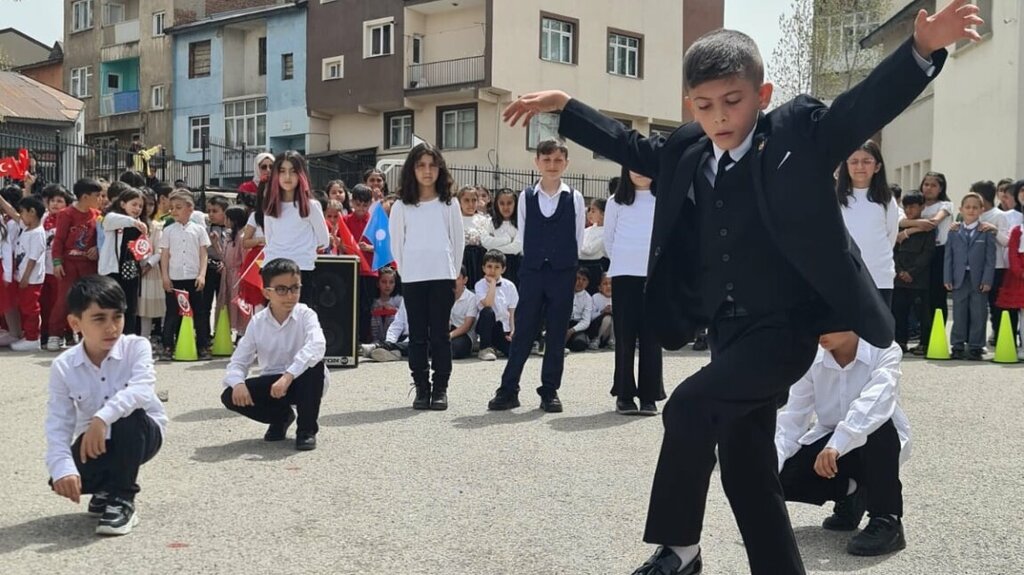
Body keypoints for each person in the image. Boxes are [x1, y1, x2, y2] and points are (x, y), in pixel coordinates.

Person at [501, 4, 976, 572]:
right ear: (690, 106)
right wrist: (565, 106)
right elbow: (632, 146)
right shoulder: (688, 149)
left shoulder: (796, 133)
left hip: (786, 328)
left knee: (687, 407)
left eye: (733, 101)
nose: (720, 116)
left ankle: (680, 550)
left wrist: (920, 51)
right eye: (704, 106)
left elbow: (858, 110)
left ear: (762, 94)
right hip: (725, 329)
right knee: (747, 468)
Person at [44, 275, 166, 535]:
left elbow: (142, 390)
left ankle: (123, 499)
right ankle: (107, 488)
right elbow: (58, 422)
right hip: (97, 440)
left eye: (117, 317)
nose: (111, 327)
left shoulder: (137, 346)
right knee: (61, 478)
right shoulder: (63, 366)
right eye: (99, 319)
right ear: (75, 323)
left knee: (127, 414)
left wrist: (102, 418)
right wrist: (63, 468)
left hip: (142, 434)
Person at [776, 331, 911, 557]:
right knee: (779, 477)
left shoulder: (884, 349)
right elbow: (792, 420)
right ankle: (852, 493)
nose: (819, 331)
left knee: (879, 428)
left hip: (877, 444)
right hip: (831, 443)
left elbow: (874, 404)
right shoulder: (811, 356)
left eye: (828, 322)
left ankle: (887, 519)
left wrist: (836, 444)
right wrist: (771, 465)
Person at [487, 140, 585, 413]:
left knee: (556, 333)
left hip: (562, 273)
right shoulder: (527, 196)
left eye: (558, 160)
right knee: (523, 331)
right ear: (537, 162)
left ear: (566, 163)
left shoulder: (575, 197)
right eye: (547, 160)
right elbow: (524, 234)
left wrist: (566, 264)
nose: (552, 165)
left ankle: (549, 391)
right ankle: (509, 389)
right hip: (532, 272)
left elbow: (577, 238)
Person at [221, 258, 327, 451]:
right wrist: (238, 383)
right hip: (273, 385)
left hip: (305, 382)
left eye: (295, 288)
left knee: (315, 365)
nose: (290, 296)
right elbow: (238, 361)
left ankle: (306, 430)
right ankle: (281, 418)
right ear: (266, 292)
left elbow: (317, 345)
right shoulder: (257, 322)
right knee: (229, 395)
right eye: (281, 290)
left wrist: (288, 376)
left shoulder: (306, 314)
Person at [389, 143, 464, 411]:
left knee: (441, 335)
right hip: (414, 277)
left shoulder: (449, 203)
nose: (427, 171)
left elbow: (458, 241)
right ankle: (421, 387)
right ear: (412, 169)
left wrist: (453, 273)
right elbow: (397, 244)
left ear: (440, 169)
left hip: (442, 276)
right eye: (421, 165)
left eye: (432, 165)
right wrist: (406, 271)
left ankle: (440, 387)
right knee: (418, 335)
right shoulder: (401, 206)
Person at [604, 168, 663, 415]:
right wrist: (624, 261)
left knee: (652, 338)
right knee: (625, 337)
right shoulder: (615, 201)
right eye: (634, 167)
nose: (640, 172)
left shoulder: (663, 198)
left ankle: (650, 396)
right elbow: (608, 240)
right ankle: (624, 394)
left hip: (655, 275)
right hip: (624, 275)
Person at [260, 151, 330, 308]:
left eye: (293, 171)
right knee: (274, 317)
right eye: (282, 171)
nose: (287, 177)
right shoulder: (270, 206)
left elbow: (324, 240)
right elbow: (269, 239)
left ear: (301, 174)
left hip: (301, 270)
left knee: (299, 317)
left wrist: (303, 249)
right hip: (273, 269)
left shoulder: (311, 206)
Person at [837, 140, 899, 305]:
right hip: (845, 276)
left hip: (879, 277)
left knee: (878, 323)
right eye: (854, 161)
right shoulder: (835, 199)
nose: (860, 167)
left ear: (877, 167)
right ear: (846, 165)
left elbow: (891, 235)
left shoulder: (887, 199)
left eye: (866, 161)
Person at [46, 178, 103, 352]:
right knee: (64, 299)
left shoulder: (97, 215)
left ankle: (86, 335)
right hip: (69, 264)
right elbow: (59, 240)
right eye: (97, 195)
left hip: (89, 265)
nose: (100, 199)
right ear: (85, 197)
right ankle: (55, 335)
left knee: (88, 300)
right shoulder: (67, 214)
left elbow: (102, 239)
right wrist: (57, 262)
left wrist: (97, 248)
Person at [903, 172, 953, 356]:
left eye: (933, 185)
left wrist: (908, 231)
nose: (929, 188)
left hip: (939, 253)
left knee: (937, 298)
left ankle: (935, 340)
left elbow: (933, 223)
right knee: (921, 301)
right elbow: (901, 221)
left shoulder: (945, 205)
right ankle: (922, 340)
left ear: (941, 188)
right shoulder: (917, 205)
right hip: (917, 255)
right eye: (926, 184)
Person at [159, 190, 211, 360]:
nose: (174, 211)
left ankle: (202, 346)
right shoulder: (168, 230)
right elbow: (165, 255)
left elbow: (203, 254)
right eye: (172, 208)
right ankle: (168, 346)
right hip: (174, 278)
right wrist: (165, 277)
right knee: (172, 313)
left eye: (178, 207)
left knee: (199, 313)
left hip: (193, 278)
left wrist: (202, 275)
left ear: (190, 208)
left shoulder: (199, 230)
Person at [944, 192, 996, 360]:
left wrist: (987, 280)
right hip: (959, 278)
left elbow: (990, 259)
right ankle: (957, 345)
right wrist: (947, 277)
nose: (971, 210)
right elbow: (948, 257)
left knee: (978, 313)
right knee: (959, 313)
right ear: (961, 209)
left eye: (975, 207)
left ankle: (976, 346)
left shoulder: (986, 231)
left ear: (981, 210)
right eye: (967, 207)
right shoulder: (954, 231)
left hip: (978, 279)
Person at [98, 188, 148, 337]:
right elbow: (109, 221)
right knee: (111, 305)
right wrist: (134, 222)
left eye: (140, 206)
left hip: (131, 269)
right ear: (122, 204)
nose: (137, 209)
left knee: (130, 306)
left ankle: (128, 336)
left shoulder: (141, 225)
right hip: (112, 269)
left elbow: (143, 248)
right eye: (134, 204)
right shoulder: (114, 219)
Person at [891, 191, 935, 352]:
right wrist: (900, 271)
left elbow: (928, 253)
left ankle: (924, 343)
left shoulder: (928, 228)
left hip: (919, 279)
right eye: (906, 207)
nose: (909, 210)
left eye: (913, 207)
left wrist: (912, 272)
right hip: (899, 278)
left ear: (922, 207)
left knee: (922, 313)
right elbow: (893, 251)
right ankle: (900, 342)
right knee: (899, 312)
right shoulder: (898, 227)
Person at [974, 180, 1016, 345]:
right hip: (977, 267)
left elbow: (1007, 242)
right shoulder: (973, 214)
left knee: (997, 306)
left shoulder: (999, 215)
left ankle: (1001, 339)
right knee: (977, 306)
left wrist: (994, 230)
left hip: (997, 267)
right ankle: (976, 341)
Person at [7, 196, 48, 350]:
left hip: (31, 279)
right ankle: (29, 334)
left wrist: (25, 277)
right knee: (24, 306)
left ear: (32, 212)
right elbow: (13, 213)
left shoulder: (37, 233)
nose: (21, 215)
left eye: (23, 212)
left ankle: (33, 338)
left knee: (30, 308)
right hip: (23, 277)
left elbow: (33, 259)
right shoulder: (27, 228)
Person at [39, 184, 73, 343]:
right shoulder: (43, 218)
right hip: (43, 268)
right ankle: (45, 332)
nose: (55, 204)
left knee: (60, 303)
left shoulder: (69, 220)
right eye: (52, 200)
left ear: (67, 203)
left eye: (59, 201)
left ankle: (66, 331)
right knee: (45, 303)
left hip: (60, 269)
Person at [345, 184, 378, 343]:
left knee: (366, 307)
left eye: (365, 205)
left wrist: (370, 248)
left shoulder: (375, 221)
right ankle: (349, 340)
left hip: (369, 271)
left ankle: (364, 340)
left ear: (370, 204)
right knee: (349, 306)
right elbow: (340, 243)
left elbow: (386, 246)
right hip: (349, 270)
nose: (361, 208)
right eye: (358, 204)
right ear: (352, 202)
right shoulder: (345, 220)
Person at [475, 249, 518, 362]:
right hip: (487, 326)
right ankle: (485, 348)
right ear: (483, 268)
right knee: (487, 311)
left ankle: (497, 346)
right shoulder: (480, 285)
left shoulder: (510, 286)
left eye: (497, 267)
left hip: (504, 328)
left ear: (503, 269)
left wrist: (513, 331)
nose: (492, 270)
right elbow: (488, 304)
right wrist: (493, 284)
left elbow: (512, 313)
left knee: (514, 351)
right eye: (489, 266)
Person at [137, 189, 166, 347]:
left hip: (151, 271)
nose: (147, 208)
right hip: (133, 270)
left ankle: (146, 340)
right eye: (144, 204)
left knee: (148, 309)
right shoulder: (132, 224)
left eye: (151, 204)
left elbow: (160, 250)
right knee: (136, 308)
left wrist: (148, 265)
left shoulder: (156, 226)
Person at [219, 206, 251, 337]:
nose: (225, 220)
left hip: (237, 276)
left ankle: (242, 332)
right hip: (227, 275)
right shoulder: (229, 236)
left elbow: (245, 260)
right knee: (226, 302)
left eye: (227, 218)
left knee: (238, 304)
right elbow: (224, 256)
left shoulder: (242, 237)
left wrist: (242, 277)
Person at [480, 188, 522, 284]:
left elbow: (516, 248)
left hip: (513, 266)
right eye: (502, 203)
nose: (505, 207)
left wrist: (492, 248)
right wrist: (507, 240)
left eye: (509, 203)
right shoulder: (490, 222)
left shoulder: (520, 224)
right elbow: (485, 242)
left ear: (515, 204)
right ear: (496, 204)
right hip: (493, 266)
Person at [579, 197, 608, 294]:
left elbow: (590, 250)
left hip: (594, 269)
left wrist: (579, 245)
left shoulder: (607, 232)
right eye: (589, 210)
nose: (589, 214)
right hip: (580, 266)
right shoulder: (587, 230)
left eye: (593, 211)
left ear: (603, 214)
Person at [449, 265, 478, 360]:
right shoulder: (444, 296)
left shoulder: (471, 298)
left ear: (465, 280)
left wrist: (449, 336)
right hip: (447, 330)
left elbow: (467, 326)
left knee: (456, 348)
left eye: (457, 278)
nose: (453, 282)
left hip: (464, 334)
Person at [566, 268, 593, 352]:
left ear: (587, 283)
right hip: (563, 323)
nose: (580, 282)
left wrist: (571, 331)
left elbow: (586, 321)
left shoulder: (588, 298)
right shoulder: (564, 292)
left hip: (576, 326)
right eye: (578, 278)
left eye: (584, 280)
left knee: (579, 343)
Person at [587, 273, 614, 350]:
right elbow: (590, 316)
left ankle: (612, 340)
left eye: (611, 284)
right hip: (597, 329)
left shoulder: (617, 297)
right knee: (607, 318)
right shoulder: (596, 297)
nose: (608, 286)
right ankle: (596, 340)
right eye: (605, 284)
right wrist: (602, 312)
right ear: (599, 288)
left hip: (611, 332)